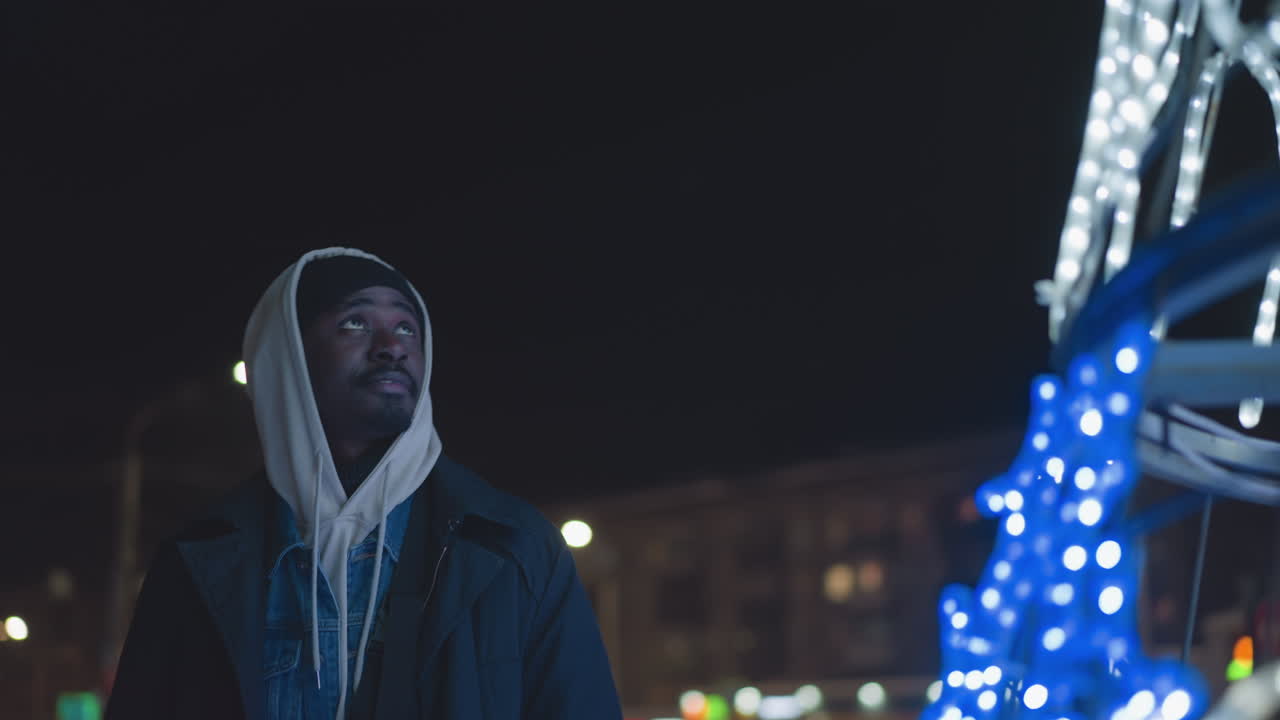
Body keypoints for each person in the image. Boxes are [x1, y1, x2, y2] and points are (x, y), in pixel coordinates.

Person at [106, 247, 622, 719]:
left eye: (406, 328)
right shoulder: (200, 558)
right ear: (288, 355)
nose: (391, 347)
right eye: (355, 322)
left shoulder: (511, 546)